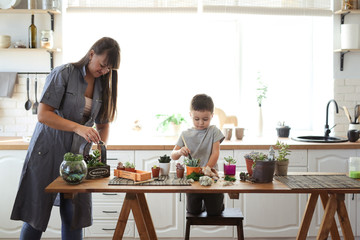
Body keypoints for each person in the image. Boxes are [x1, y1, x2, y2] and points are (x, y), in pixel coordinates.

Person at [10, 37, 121, 240]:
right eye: (102, 65)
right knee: (35, 217)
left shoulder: (104, 87)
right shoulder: (64, 73)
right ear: (91, 54)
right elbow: (43, 114)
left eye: (109, 69)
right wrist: (78, 128)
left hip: (79, 158)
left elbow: (103, 124)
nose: (104, 71)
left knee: (74, 217)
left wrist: (98, 149)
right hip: (46, 151)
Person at [171, 94, 225, 216]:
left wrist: (207, 168)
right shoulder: (185, 134)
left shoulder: (213, 131)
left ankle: (216, 204)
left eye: (205, 119)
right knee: (193, 211)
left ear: (212, 115)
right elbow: (173, 155)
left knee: (214, 212)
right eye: (196, 119)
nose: (201, 123)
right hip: (192, 180)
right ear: (190, 115)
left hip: (211, 177)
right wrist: (180, 152)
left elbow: (215, 153)